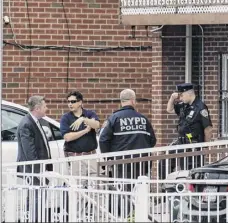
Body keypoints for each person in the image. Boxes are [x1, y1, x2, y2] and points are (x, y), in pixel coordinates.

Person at [99, 89, 157, 186]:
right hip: (142, 162)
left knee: (122, 192)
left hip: (121, 163)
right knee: (140, 190)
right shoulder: (143, 119)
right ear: (133, 100)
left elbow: (103, 140)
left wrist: (109, 158)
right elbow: (153, 140)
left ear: (121, 101)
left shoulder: (114, 118)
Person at [59, 90, 100, 218]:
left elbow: (97, 124)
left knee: (96, 187)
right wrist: (84, 131)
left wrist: (83, 119)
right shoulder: (66, 118)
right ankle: (76, 216)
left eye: (73, 101)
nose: (70, 104)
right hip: (75, 157)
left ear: (80, 102)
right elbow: (67, 137)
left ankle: (93, 215)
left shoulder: (89, 114)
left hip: (91, 155)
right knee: (77, 189)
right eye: (68, 102)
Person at [16, 95, 52, 222]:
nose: (46, 108)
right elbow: (29, 152)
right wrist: (38, 172)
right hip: (34, 169)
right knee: (37, 196)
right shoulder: (27, 124)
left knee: (34, 196)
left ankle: (31, 218)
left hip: (39, 168)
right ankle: (35, 219)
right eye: (44, 106)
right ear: (37, 108)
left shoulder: (35, 121)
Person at [166, 83, 213, 171]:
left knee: (191, 170)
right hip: (182, 143)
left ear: (189, 93)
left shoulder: (200, 107)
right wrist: (172, 98)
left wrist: (205, 145)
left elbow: (208, 128)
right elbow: (169, 109)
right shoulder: (184, 106)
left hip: (193, 144)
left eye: (182, 95)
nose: (180, 98)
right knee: (167, 162)